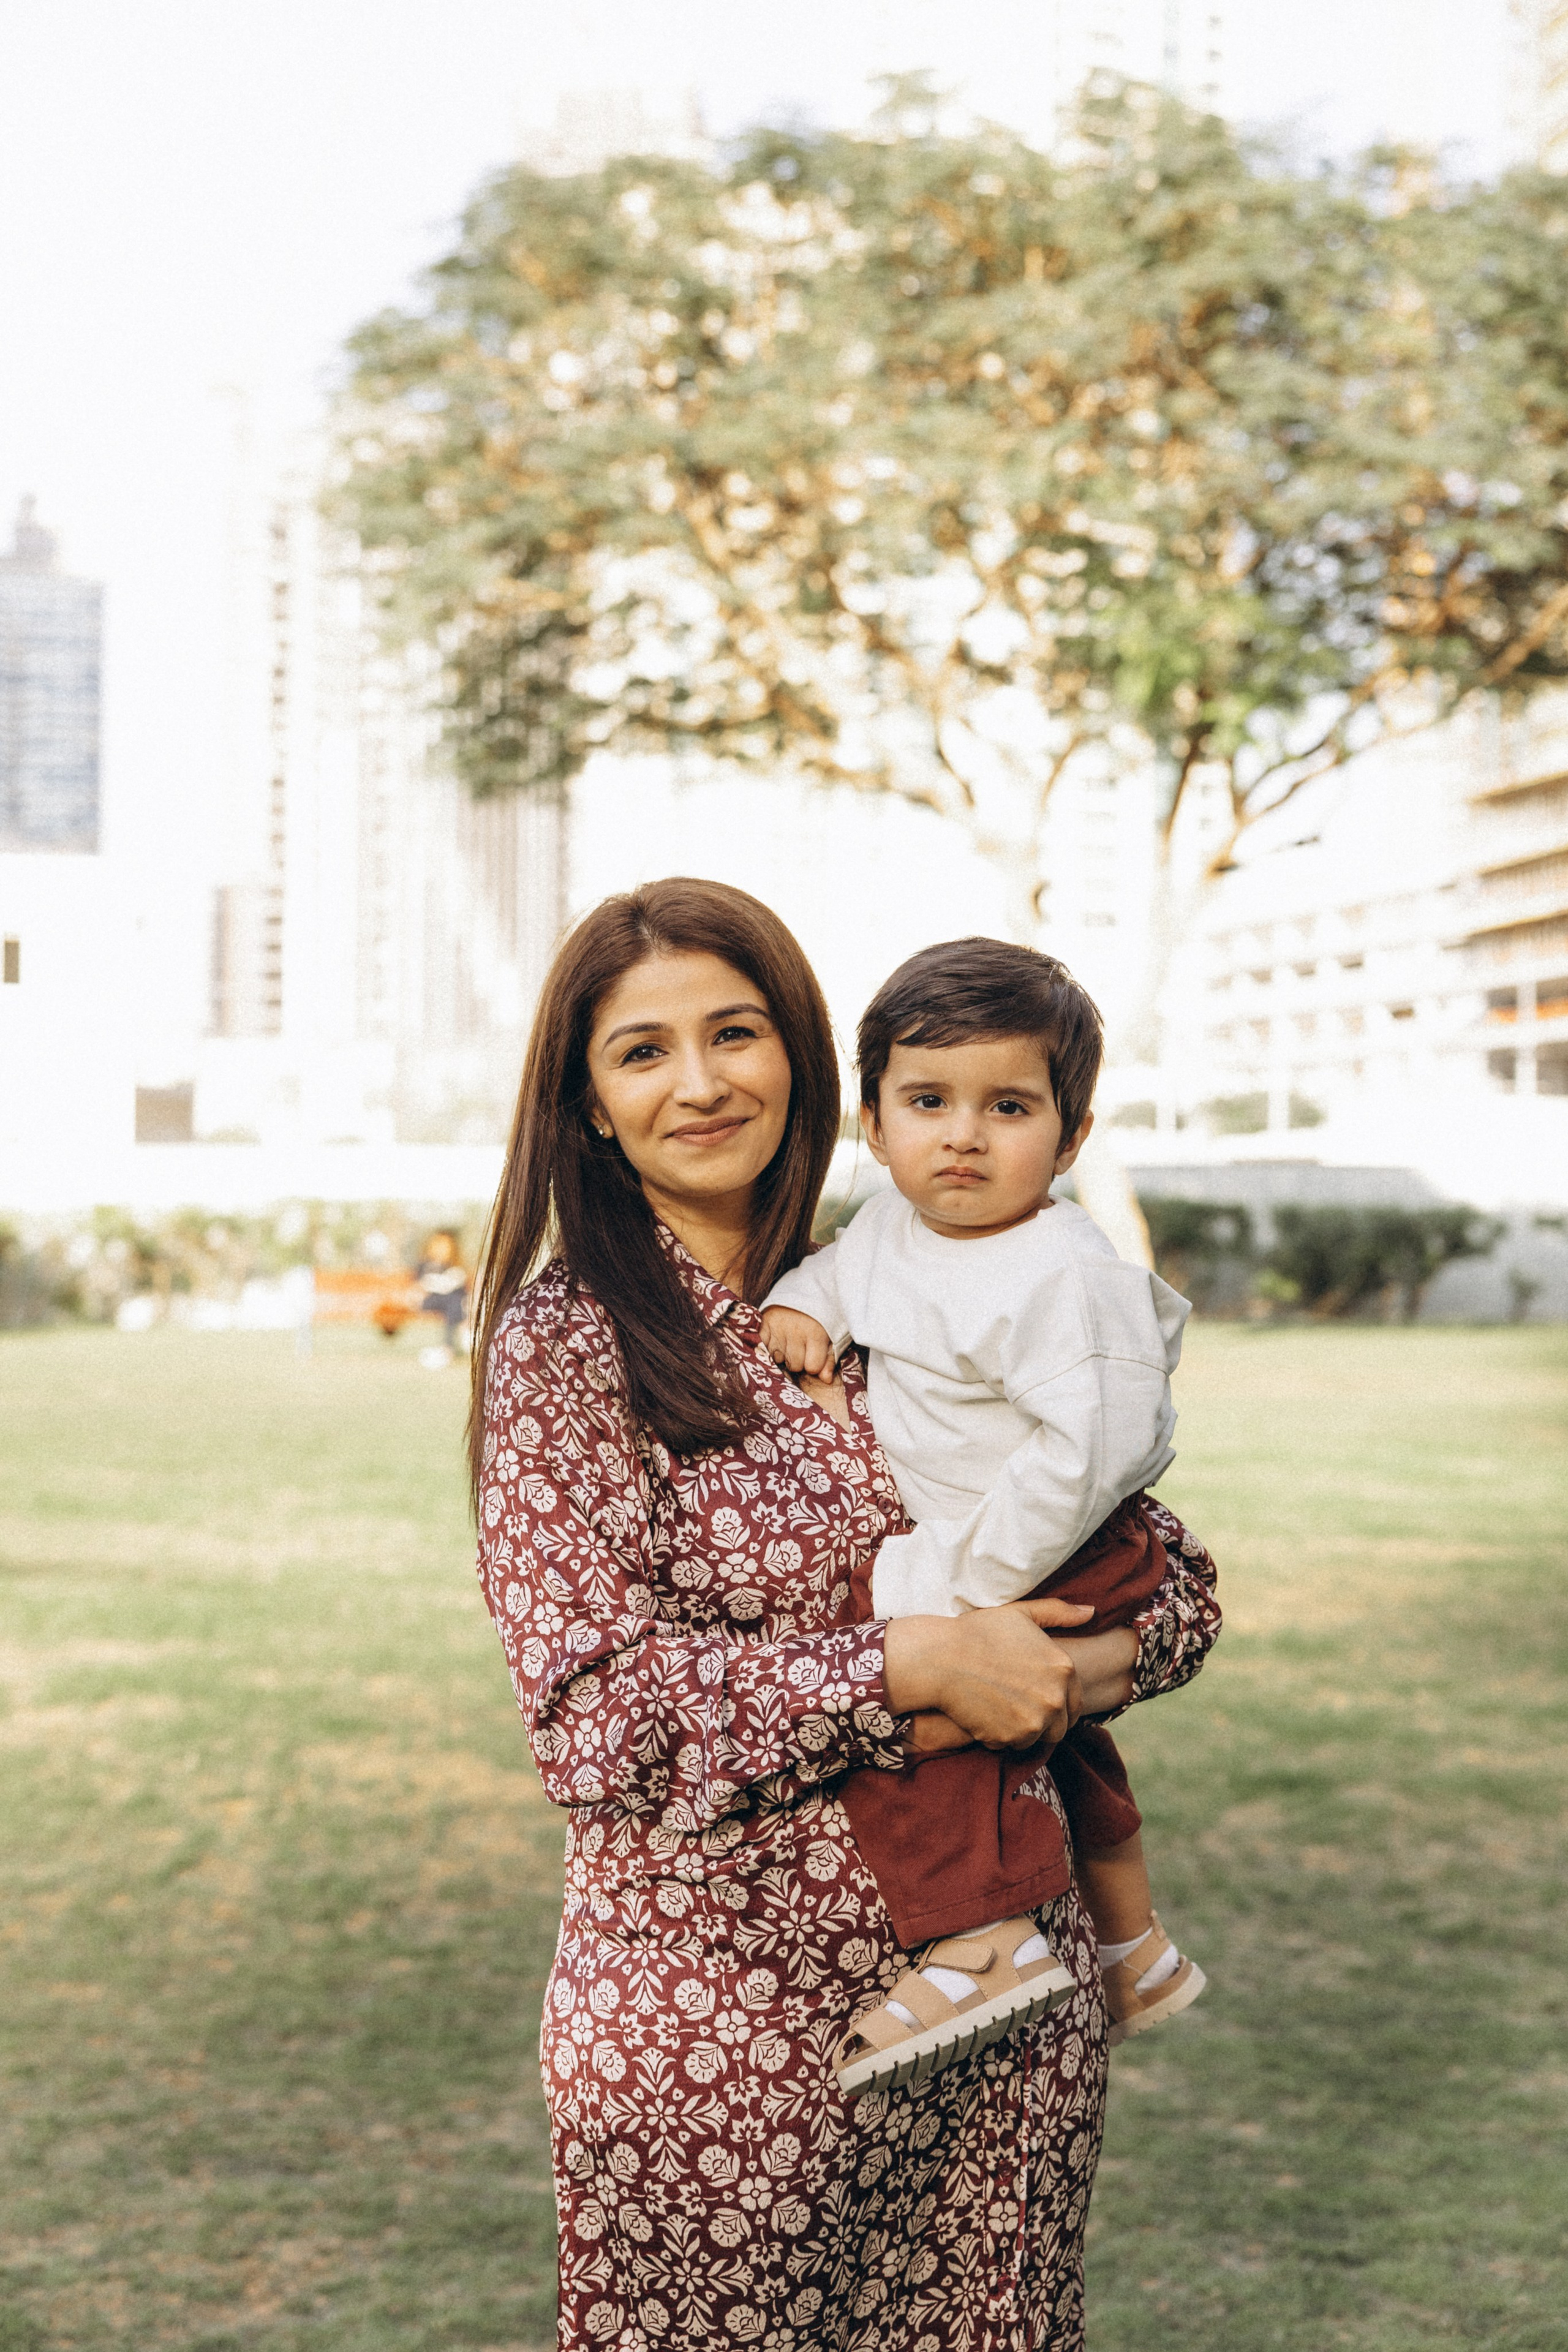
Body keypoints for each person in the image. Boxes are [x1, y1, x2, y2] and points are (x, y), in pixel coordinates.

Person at [471, 877, 1221, 2351]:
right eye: (641, 1050)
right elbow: (592, 1720)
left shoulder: (926, 1265)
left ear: (806, 1059)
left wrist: (1070, 1672)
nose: (698, 1081)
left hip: (1004, 2031)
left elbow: (1171, 1583)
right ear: (587, 1101)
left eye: (734, 1031)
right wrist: (916, 1667)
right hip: (723, 2050)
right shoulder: (569, 1347)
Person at [761, 939, 1210, 2094]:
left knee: (936, 1724)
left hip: (1061, 1538)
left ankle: (982, 1936)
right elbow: (841, 1277)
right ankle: (1133, 1945)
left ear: (1070, 1138)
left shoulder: (1063, 1272)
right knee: (1055, 1734)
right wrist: (799, 1309)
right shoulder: (890, 1229)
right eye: (928, 1101)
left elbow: (1104, 1446)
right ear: (874, 1122)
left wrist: (966, 1591)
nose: (962, 1134)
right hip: (991, 1539)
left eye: (1007, 1106)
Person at [415, 1229, 468, 1367]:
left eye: (445, 1246)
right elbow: (423, 1285)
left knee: (454, 1300)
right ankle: (455, 1342)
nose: (441, 1249)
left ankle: (450, 1347)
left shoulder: (454, 1265)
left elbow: (458, 1283)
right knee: (454, 1300)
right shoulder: (426, 1265)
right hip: (430, 1301)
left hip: (450, 1301)